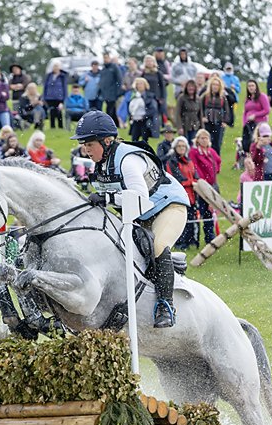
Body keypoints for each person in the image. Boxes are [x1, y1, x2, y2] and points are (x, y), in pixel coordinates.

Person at [71, 110, 190, 328]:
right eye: (84, 145)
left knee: (157, 245)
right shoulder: (100, 165)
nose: (86, 150)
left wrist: (106, 198)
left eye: (89, 144)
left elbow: (140, 197)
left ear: (107, 141)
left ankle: (166, 305)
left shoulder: (127, 160)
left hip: (168, 206)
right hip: (140, 213)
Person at [164, 136, 199, 250]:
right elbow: (177, 179)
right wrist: (192, 182)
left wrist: (195, 182)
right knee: (180, 221)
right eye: (179, 146)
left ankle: (190, 241)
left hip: (192, 196)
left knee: (191, 219)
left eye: (183, 146)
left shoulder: (189, 161)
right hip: (179, 196)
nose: (181, 148)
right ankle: (180, 243)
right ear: (175, 147)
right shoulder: (171, 162)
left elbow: (196, 176)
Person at [190, 128, 222, 245]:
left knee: (211, 211)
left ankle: (210, 237)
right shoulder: (194, 152)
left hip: (212, 186)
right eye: (202, 138)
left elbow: (218, 161)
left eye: (206, 138)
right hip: (201, 187)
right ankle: (197, 238)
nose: (204, 140)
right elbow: (194, 167)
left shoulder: (211, 151)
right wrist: (202, 180)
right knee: (202, 212)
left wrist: (215, 171)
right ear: (197, 140)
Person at [201, 74, 232, 155]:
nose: (215, 86)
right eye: (213, 84)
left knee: (217, 143)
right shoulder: (205, 96)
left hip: (219, 122)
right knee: (206, 142)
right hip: (207, 122)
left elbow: (226, 110)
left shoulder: (223, 97)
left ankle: (216, 161)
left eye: (217, 85)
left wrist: (225, 121)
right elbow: (200, 107)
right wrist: (202, 117)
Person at [242, 80, 270, 152]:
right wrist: (244, 123)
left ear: (256, 87)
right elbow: (245, 112)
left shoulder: (262, 96)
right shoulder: (248, 99)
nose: (251, 88)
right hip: (249, 124)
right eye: (249, 86)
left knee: (258, 142)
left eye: (252, 86)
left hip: (259, 123)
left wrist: (255, 115)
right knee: (248, 143)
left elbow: (267, 110)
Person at [140, 55, 166, 132]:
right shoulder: (144, 74)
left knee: (155, 114)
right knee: (146, 114)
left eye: (150, 61)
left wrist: (162, 97)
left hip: (156, 97)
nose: (149, 63)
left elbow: (162, 86)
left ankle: (155, 131)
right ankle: (146, 130)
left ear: (154, 62)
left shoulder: (158, 73)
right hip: (146, 97)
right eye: (147, 61)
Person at [127, 77, 156, 143]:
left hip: (145, 120)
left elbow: (153, 109)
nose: (139, 85)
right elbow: (129, 107)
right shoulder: (133, 95)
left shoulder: (150, 96)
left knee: (144, 139)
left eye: (141, 84)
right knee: (134, 138)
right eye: (138, 84)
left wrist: (144, 116)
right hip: (135, 120)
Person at [99, 53, 124, 124]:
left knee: (110, 109)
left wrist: (118, 91)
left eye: (106, 58)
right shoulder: (103, 69)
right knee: (111, 109)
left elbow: (119, 79)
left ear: (110, 58)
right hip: (105, 93)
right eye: (104, 58)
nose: (105, 59)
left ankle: (108, 123)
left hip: (113, 93)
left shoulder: (114, 67)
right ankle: (116, 124)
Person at [42, 62, 68, 129]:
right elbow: (45, 87)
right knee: (52, 112)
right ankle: (52, 127)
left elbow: (65, 88)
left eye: (57, 66)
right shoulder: (49, 76)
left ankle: (60, 126)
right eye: (54, 67)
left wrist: (64, 99)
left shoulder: (62, 77)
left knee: (59, 112)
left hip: (59, 97)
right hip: (50, 97)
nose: (55, 68)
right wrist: (44, 97)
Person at [176, 79, 202, 144]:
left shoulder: (198, 99)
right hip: (184, 124)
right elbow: (178, 113)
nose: (191, 88)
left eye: (192, 86)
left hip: (195, 125)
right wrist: (179, 127)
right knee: (185, 143)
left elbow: (200, 114)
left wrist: (202, 128)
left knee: (193, 143)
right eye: (189, 86)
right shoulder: (181, 98)